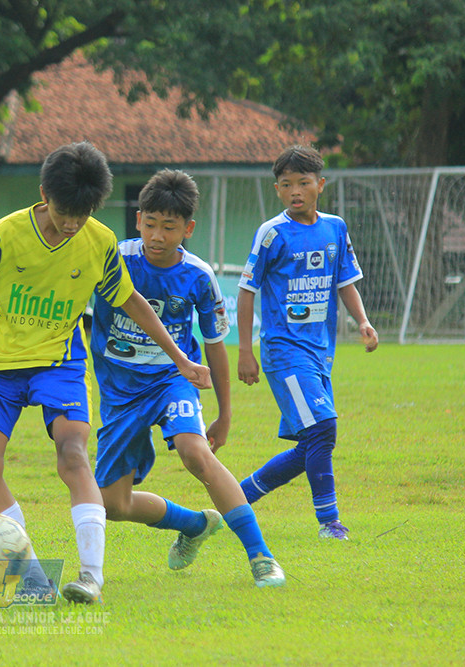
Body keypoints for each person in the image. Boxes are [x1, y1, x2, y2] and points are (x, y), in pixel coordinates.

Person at [0, 142, 211, 605]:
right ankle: (27, 575)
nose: (71, 223)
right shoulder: (5, 234)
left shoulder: (99, 241)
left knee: (73, 453)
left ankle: (90, 577)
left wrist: (181, 360)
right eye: (66, 211)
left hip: (59, 361)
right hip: (0, 364)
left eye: (83, 213)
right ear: (44, 194)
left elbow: (133, 302)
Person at [90, 169, 285, 587]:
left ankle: (262, 557)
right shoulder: (113, 260)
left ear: (188, 229)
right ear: (138, 219)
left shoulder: (198, 276)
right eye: (151, 224)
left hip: (172, 380)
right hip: (119, 390)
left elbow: (214, 344)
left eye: (170, 227)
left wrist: (225, 414)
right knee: (111, 504)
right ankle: (195, 525)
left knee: (195, 453)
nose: (158, 236)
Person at [236, 145, 377, 540]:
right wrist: (246, 351)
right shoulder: (271, 233)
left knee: (308, 445)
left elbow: (344, 282)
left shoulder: (335, 227)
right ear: (277, 190)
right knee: (322, 430)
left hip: (320, 354)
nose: (295, 191)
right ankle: (330, 523)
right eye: (286, 185)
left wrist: (363, 321)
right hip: (283, 351)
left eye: (303, 183)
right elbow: (247, 290)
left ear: (320, 185)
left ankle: (236, 499)